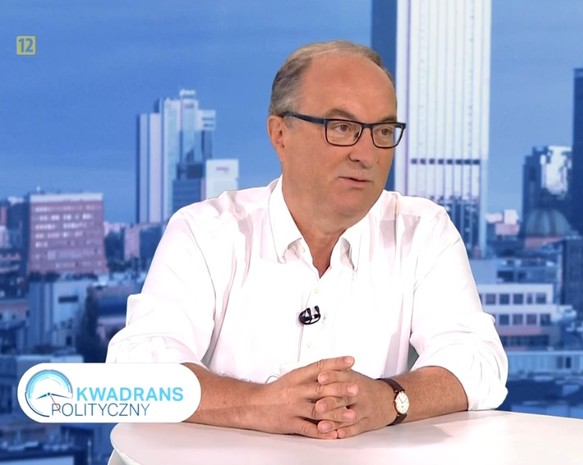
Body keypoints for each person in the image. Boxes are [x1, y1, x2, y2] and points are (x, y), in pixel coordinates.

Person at [106, 40, 508, 440]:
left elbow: (479, 361)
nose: (367, 154)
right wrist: (259, 405)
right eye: (343, 128)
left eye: (383, 131)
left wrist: (390, 399)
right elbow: (136, 371)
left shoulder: (421, 231)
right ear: (281, 134)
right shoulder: (205, 232)